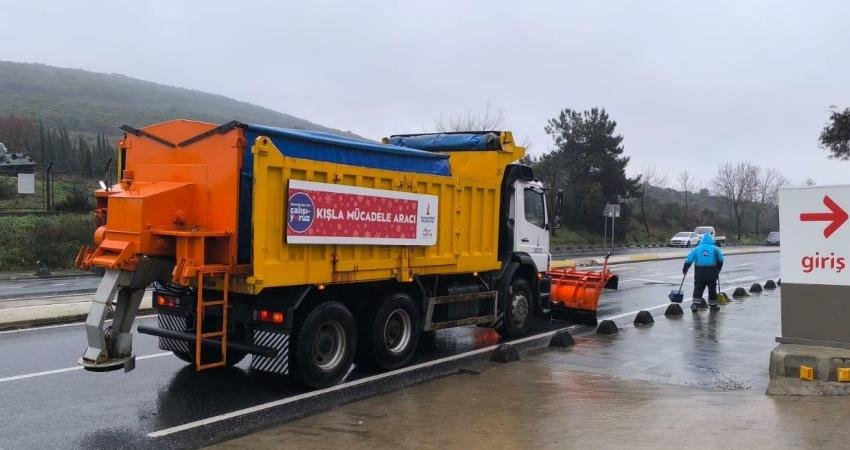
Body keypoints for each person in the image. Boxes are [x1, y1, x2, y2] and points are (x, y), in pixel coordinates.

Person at [683, 234, 724, 311]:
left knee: (698, 288)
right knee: (712, 289)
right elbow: (721, 259)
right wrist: (718, 268)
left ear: (701, 240)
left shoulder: (696, 249)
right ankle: (713, 306)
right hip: (712, 272)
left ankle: (695, 305)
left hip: (699, 272)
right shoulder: (715, 249)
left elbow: (689, 259)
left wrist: (685, 269)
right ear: (711, 240)